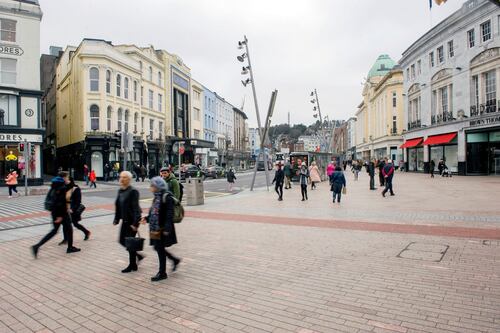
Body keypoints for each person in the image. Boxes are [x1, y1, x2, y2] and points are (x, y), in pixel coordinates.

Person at [140, 177, 181, 281]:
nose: (150, 187)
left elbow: (169, 213)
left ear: (157, 186)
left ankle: (162, 273)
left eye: (152, 185)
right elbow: (154, 212)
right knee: (157, 248)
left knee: (159, 248)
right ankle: (174, 260)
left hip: (162, 228)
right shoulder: (156, 197)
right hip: (154, 227)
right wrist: (146, 218)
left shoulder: (166, 197)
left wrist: (167, 228)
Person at [31, 172, 80, 258]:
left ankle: (37, 246)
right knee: (69, 229)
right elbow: (60, 202)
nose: (68, 179)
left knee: (54, 231)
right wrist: (60, 216)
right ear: (63, 177)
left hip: (54, 212)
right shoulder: (61, 186)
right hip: (61, 213)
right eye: (67, 177)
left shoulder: (54, 185)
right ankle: (70, 248)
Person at [113, 171, 143, 273]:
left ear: (129, 179)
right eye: (121, 177)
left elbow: (136, 209)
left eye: (125, 177)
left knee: (129, 243)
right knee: (122, 240)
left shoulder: (133, 191)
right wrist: (116, 219)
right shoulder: (120, 191)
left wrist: (135, 224)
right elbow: (118, 205)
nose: (122, 179)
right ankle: (137, 256)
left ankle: (132, 265)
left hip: (131, 222)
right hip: (124, 221)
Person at [60, 177, 90, 245]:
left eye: (67, 180)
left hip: (73, 210)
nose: (65, 181)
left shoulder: (76, 189)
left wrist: (72, 209)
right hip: (66, 209)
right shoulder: (65, 188)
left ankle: (86, 232)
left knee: (75, 224)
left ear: (70, 181)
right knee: (65, 224)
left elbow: (78, 201)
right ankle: (65, 239)